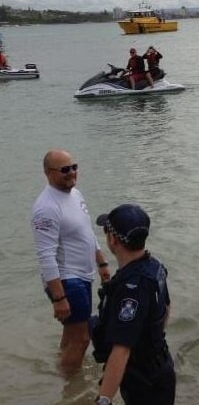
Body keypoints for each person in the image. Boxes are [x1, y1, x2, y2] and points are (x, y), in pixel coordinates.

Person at [31, 149, 111, 374]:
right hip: (67, 280)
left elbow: (86, 232)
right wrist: (59, 297)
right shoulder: (46, 208)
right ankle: (71, 387)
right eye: (65, 169)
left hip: (83, 276)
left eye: (74, 167)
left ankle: (59, 375)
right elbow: (45, 255)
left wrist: (102, 263)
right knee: (82, 338)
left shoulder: (75, 194)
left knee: (72, 335)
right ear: (48, 173)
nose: (72, 173)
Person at [91, 204, 175, 405]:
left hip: (144, 381)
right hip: (160, 367)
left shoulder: (132, 288)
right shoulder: (154, 267)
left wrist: (104, 400)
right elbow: (166, 310)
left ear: (113, 239)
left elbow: (122, 349)